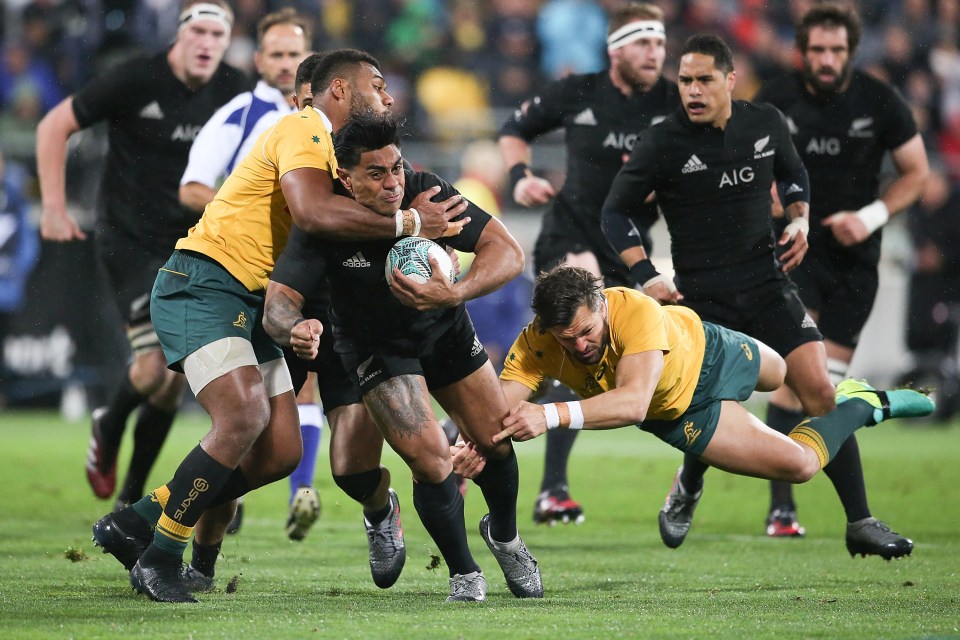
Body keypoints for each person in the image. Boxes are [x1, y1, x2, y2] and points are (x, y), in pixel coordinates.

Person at [89, 49, 468, 603]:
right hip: (206, 281)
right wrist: (411, 222)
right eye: (377, 85)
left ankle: (140, 518)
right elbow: (313, 215)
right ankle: (162, 555)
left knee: (281, 452)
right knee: (241, 415)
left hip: (253, 300)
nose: (388, 97)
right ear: (338, 91)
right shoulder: (303, 125)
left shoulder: (340, 159)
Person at [602, 34, 917, 560]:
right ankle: (688, 484)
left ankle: (860, 519)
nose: (693, 91)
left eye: (704, 79)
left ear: (730, 80)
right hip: (701, 300)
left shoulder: (764, 122)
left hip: (768, 285)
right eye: (684, 81)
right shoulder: (663, 142)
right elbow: (615, 211)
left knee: (819, 391)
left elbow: (794, 174)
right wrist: (647, 275)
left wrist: (800, 220)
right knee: (706, 408)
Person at [264, 112, 542, 603]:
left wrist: (457, 294)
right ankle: (462, 571)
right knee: (414, 461)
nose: (393, 183)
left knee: (495, 439)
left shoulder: (425, 191)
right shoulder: (324, 221)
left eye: (395, 167)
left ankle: (505, 536)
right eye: (376, 174)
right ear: (345, 178)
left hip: (445, 330)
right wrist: (296, 328)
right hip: (376, 348)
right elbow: (278, 306)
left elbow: (508, 251)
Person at [492, 267, 934, 540]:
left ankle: (693, 468)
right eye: (567, 340)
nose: (580, 346)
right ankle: (860, 404)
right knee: (801, 467)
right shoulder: (538, 343)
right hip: (685, 412)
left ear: (601, 304)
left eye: (587, 331)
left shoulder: (634, 310)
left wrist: (548, 414)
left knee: (781, 375)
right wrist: (473, 444)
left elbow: (630, 403)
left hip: (710, 348)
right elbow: (501, 407)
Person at [35, 0, 249, 510]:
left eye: (216, 36)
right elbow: (52, 126)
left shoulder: (235, 89)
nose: (206, 44)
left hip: (192, 244)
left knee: (171, 379)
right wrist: (52, 207)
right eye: (197, 31)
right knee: (154, 369)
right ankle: (109, 426)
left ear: (228, 41)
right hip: (128, 238)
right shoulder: (135, 78)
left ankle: (130, 496)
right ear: (178, 34)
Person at [497, 1, 680, 526]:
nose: (655, 53)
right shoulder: (579, 89)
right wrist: (519, 176)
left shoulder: (675, 102)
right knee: (576, 346)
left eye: (661, 43)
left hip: (629, 249)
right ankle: (551, 487)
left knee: (604, 367)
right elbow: (513, 129)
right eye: (644, 42)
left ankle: (472, 430)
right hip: (569, 235)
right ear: (616, 48)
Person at [753, 3, 929, 539]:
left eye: (836, 51)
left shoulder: (879, 100)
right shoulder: (775, 100)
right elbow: (743, 166)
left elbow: (916, 173)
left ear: (851, 52)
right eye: (817, 50)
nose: (826, 60)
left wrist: (872, 215)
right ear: (801, 52)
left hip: (856, 265)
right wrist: (773, 202)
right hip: (794, 254)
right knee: (798, 385)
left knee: (820, 390)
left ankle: (798, 502)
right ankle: (783, 508)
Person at [178, 8, 319, 540]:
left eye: (295, 55)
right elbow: (192, 186)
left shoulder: (323, 125)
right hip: (240, 280)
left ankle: (297, 489)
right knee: (242, 415)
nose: (286, 65)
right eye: (277, 55)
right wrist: (245, 216)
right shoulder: (240, 114)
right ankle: (192, 501)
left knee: (304, 389)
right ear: (258, 60)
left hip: (299, 275)